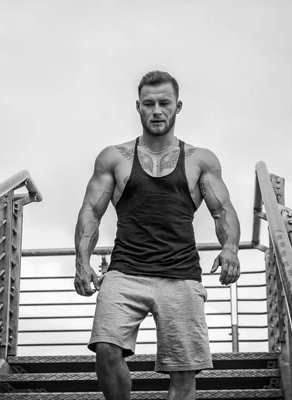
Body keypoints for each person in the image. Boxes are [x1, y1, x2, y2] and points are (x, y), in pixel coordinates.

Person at [74, 70, 241, 400]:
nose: (157, 110)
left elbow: (223, 210)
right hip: (125, 273)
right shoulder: (114, 158)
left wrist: (231, 248)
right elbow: (91, 211)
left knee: (183, 371)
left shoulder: (199, 160)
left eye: (164, 103)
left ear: (178, 107)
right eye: (149, 104)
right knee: (106, 349)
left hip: (180, 276)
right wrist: (81, 261)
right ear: (138, 107)